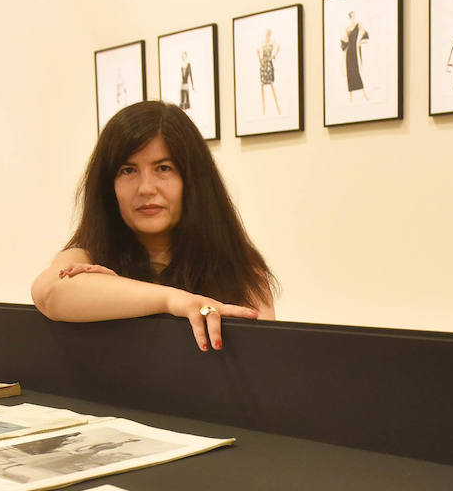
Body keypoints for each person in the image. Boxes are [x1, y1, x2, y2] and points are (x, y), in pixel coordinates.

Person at [31, 100, 278, 352]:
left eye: (163, 168)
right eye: (128, 170)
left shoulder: (238, 266)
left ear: (191, 181)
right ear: (109, 187)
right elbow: (49, 294)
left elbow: (263, 359)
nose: (146, 188)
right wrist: (173, 301)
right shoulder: (87, 256)